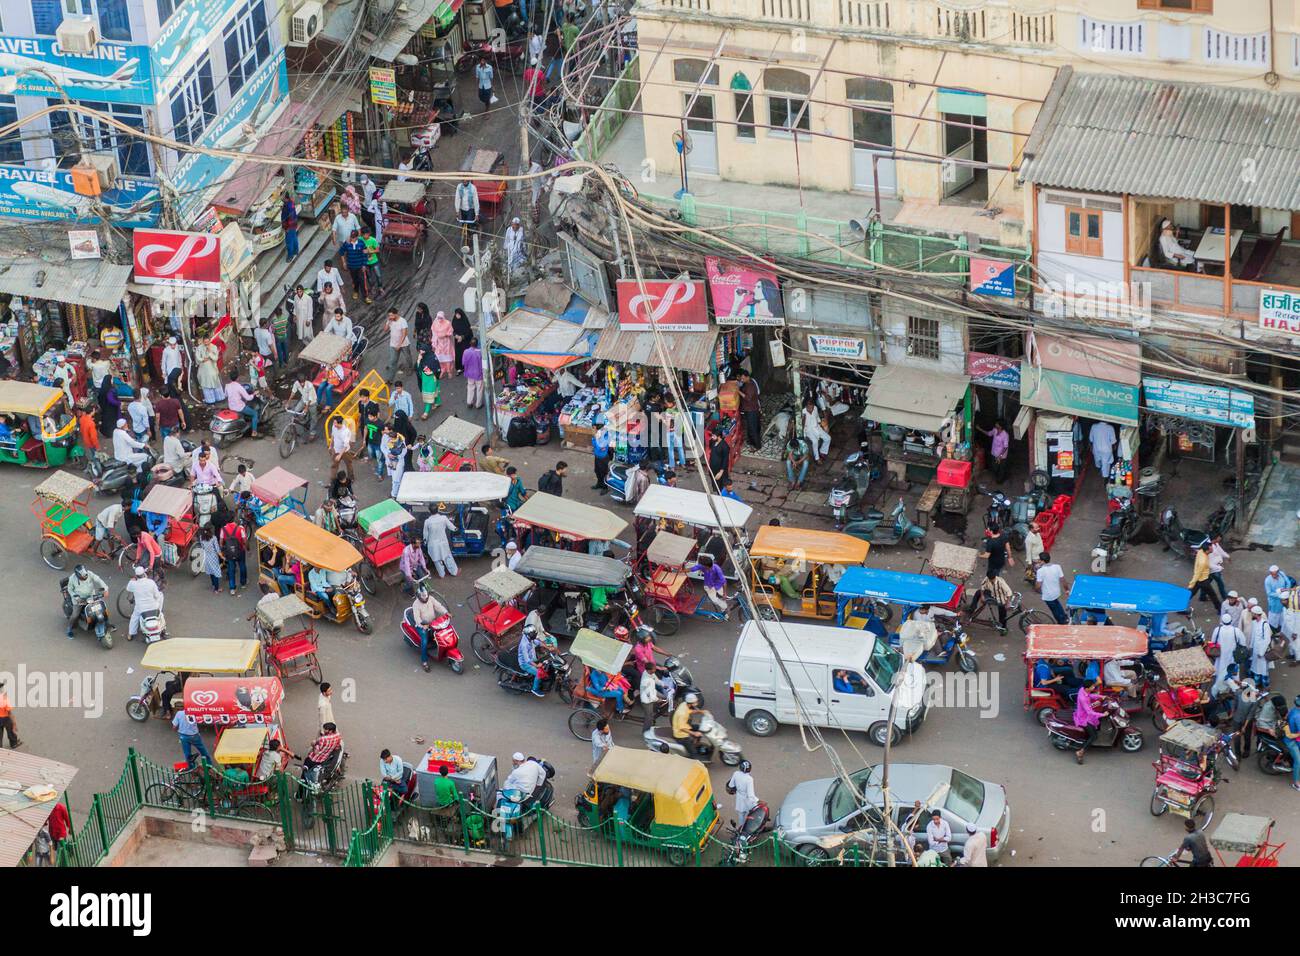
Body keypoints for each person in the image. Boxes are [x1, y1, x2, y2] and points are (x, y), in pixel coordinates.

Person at [410, 584, 449, 672]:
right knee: (424, 641)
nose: (425, 599)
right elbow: (417, 618)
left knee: (444, 632)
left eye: (426, 596)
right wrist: (423, 625)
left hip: (433, 622)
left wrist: (446, 612)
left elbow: (438, 606)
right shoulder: (415, 604)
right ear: (419, 596)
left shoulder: (430, 598)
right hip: (422, 626)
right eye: (423, 597)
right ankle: (424, 662)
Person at [65, 564, 109, 637]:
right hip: (79, 599)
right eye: (83, 577)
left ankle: (106, 623)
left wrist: (106, 589)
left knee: (101, 608)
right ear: (78, 575)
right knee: (75, 615)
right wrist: (75, 597)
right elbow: (70, 589)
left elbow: (98, 579)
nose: (85, 578)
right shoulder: (72, 578)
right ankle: (69, 628)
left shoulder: (89, 574)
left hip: (91, 596)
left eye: (85, 576)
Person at [423, 504, 459, 577]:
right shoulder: (443, 518)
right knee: (447, 557)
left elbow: (425, 534)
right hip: (443, 542)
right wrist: (456, 529)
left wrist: (425, 542)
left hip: (432, 544)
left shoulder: (427, 521)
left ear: (429, 511)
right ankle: (454, 572)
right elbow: (451, 526)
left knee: (436, 559)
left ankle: (441, 574)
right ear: (438, 509)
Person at [1073, 680, 1104, 764]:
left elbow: (1090, 695)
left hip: (1085, 712)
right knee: (1094, 736)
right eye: (1092, 687)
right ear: (1087, 688)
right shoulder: (1082, 698)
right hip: (1083, 718)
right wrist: (1102, 714)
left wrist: (1101, 696)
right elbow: (1089, 712)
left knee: (1098, 717)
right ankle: (1080, 751)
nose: (1094, 687)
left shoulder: (1082, 690)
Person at [1034, 552, 1069, 624]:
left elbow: (1038, 585)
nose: (1038, 561)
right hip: (1056, 592)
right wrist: (1067, 590)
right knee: (1057, 604)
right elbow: (1063, 580)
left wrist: (1037, 589)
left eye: (1039, 560)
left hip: (1048, 595)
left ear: (1042, 561)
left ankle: (1061, 622)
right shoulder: (1057, 566)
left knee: (1054, 610)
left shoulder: (1040, 571)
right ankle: (1065, 617)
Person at [224, 372, 261, 438]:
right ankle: (254, 432)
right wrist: (254, 394)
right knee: (255, 414)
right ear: (238, 378)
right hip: (239, 408)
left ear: (230, 378)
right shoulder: (239, 387)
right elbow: (248, 398)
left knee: (244, 403)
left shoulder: (227, 386)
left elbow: (226, 395)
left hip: (231, 407)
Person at [339, 230, 370, 302]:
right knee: (355, 280)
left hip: (360, 266)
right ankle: (356, 291)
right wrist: (344, 262)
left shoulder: (361, 243)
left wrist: (364, 265)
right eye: (351, 237)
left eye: (353, 237)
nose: (352, 239)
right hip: (351, 266)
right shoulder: (346, 244)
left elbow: (365, 254)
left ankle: (366, 296)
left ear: (357, 237)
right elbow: (341, 252)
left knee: (362, 281)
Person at [219, 518, 248, 594]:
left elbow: (221, 542)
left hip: (229, 552)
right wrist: (247, 548)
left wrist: (222, 551)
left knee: (231, 569)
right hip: (240, 551)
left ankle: (232, 588)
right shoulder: (241, 528)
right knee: (242, 566)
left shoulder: (223, 529)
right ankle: (243, 583)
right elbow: (245, 541)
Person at [726, 760, 758, 825]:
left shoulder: (736, 773)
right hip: (748, 800)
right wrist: (758, 801)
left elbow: (731, 785)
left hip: (739, 798)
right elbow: (750, 795)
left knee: (741, 817)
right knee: (753, 814)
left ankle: (741, 830)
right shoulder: (749, 779)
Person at [385, 308, 413, 381]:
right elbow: (385, 330)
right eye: (389, 315)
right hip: (393, 344)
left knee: (407, 357)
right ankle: (390, 378)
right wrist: (388, 322)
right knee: (392, 359)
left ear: (396, 314)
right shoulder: (390, 320)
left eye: (391, 315)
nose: (390, 317)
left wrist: (399, 344)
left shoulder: (402, 321)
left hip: (404, 344)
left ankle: (410, 367)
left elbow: (404, 334)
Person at [737, 370, 761, 449]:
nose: (742, 380)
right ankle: (751, 441)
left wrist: (738, 391)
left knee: (752, 428)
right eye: (741, 378)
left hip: (752, 410)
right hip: (749, 409)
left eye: (743, 378)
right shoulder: (747, 383)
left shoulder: (750, 386)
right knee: (751, 427)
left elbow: (748, 398)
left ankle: (757, 446)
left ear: (747, 377)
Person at [195, 337, 224, 404]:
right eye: (205, 342)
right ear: (203, 341)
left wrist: (210, 352)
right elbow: (198, 358)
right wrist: (203, 359)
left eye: (207, 342)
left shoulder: (213, 347)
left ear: (210, 341)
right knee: (206, 384)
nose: (206, 343)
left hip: (212, 369)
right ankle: (210, 400)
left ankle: (219, 398)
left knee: (215, 383)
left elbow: (215, 358)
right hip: (203, 369)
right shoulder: (199, 348)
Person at [1265, 565, 1293, 632]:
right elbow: (1269, 593)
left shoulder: (1282, 574)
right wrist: (1280, 594)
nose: (1273, 576)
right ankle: (1273, 631)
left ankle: (1281, 628)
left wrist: (1286, 590)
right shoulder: (1267, 580)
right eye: (1272, 574)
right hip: (1274, 603)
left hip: (1283, 602)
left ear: (1278, 572)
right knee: (1273, 618)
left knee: (1282, 616)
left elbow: (1288, 582)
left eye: (1275, 574)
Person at [1188, 540, 1217, 605]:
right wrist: (1191, 584)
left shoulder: (1200, 552)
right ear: (1207, 550)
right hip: (1203, 580)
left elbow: (1196, 567)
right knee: (1213, 595)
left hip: (1200, 579)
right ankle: (1220, 609)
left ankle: (1180, 607)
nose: (1212, 548)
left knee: (1190, 594)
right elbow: (1198, 573)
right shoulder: (1203, 562)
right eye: (1211, 547)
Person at [290, 370, 318, 435]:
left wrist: (306, 408)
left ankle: (312, 432)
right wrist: (288, 402)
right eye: (300, 382)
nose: (302, 384)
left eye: (303, 382)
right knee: (295, 411)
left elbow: (310, 399)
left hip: (312, 402)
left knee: (313, 418)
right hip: (303, 400)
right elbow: (293, 392)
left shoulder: (310, 385)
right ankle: (299, 421)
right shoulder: (296, 383)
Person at [1282, 695, 1300, 792]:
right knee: (1299, 761)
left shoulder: (1294, 709)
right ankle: (1296, 783)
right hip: (1291, 741)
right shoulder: (1297, 716)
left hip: (1293, 737)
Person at [417, 345, 440, 419]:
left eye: (422, 351)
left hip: (432, 379)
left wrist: (432, 372)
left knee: (429, 395)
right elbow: (418, 368)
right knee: (435, 391)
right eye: (420, 350)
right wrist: (419, 360)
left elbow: (437, 368)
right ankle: (437, 402)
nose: (421, 352)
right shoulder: (422, 358)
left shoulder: (433, 358)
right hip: (425, 380)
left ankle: (426, 413)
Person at [330, 415, 355, 481]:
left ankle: (351, 478)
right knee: (334, 465)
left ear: (340, 423)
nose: (334, 424)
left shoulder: (345, 432)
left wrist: (340, 455)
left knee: (348, 464)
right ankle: (332, 480)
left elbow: (345, 445)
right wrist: (330, 446)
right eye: (334, 423)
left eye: (335, 423)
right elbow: (333, 435)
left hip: (345, 452)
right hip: (336, 449)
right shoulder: (334, 427)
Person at [431, 311, 456, 378]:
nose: (439, 319)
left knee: (447, 357)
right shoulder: (435, 323)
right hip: (439, 343)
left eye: (441, 317)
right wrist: (435, 340)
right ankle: (442, 370)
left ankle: (449, 371)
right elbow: (433, 331)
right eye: (438, 317)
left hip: (446, 343)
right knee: (439, 358)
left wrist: (445, 334)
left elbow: (451, 331)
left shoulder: (447, 323)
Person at [463, 339, 484, 409]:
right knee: (479, 389)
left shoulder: (466, 351)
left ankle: (469, 402)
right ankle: (478, 404)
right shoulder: (480, 352)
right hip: (479, 374)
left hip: (469, 373)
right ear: (477, 344)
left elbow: (463, 363)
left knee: (470, 387)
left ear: (470, 343)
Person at [451, 308, 474, 373]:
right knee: (458, 354)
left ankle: (467, 367)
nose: (457, 316)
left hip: (465, 341)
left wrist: (462, 337)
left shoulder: (465, 321)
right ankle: (459, 367)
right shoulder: (454, 321)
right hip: (458, 341)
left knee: (466, 354)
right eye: (456, 314)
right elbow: (452, 330)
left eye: (458, 314)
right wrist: (456, 335)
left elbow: (469, 332)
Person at [590, 426, 611, 493]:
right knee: (597, 471)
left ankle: (605, 487)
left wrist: (596, 437)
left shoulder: (606, 437)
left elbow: (599, 447)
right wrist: (594, 437)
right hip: (597, 457)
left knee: (604, 473)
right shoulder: (598, 435)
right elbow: (594, 445)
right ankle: (599, 483)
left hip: (603, 458)